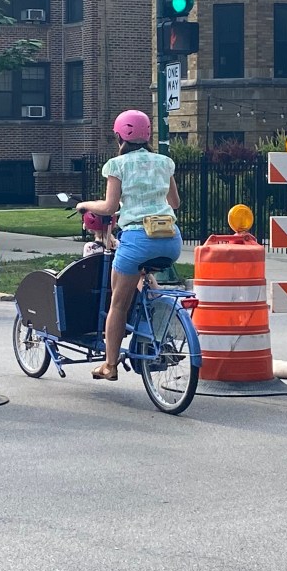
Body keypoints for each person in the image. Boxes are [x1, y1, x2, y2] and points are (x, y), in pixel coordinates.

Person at [76, 109, 181, 381]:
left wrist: (84, 204)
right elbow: (175, 203)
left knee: (118, 304)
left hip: (137, 241)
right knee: (146, 282)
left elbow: (109, 206)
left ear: (120, 136)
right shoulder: (164, 162)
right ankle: (155, 331)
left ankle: (109, 365)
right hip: (170, 241)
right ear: (148, 135)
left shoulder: (117, 165)